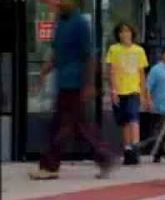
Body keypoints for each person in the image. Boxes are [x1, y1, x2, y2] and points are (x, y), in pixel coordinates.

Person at [29, 0, 116, 180]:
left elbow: (89, 56)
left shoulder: (80, 23)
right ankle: (105, 157)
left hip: (76, 83)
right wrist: (45, 69)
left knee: (63, 126)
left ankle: (50, 165)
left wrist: (90, 84)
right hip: (63, 82)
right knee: (77, 126)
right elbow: (57, 52)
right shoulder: (60, 22)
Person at [106, 23, 150, 165]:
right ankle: (127, 150)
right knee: (124, 122)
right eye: (121, 32)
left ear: (132, 33)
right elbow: (111, 71)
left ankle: (135, 148)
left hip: (133, 89)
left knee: (133, 119)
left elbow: (142, 73)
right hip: (119, 90)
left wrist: (144, 94)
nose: (124, 34)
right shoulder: (114, 50)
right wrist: (113, 90)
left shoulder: (139, 51)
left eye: (127, 31)